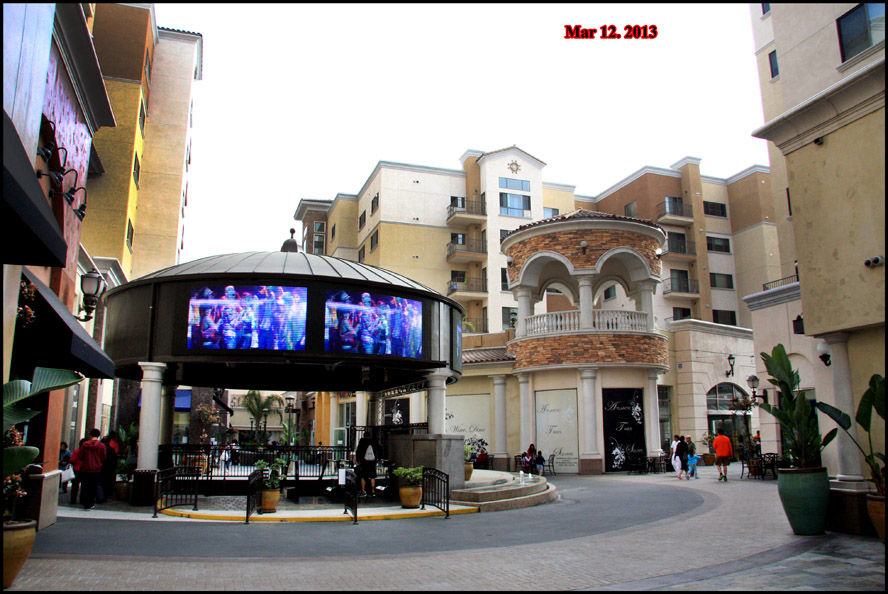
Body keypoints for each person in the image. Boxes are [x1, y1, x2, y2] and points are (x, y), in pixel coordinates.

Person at [79, 429, 106, 510]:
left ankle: (85, 502)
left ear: (90, 435)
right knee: (93, 486)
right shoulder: (101, 445)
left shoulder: (85, 445)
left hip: (86, 468)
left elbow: (81, 456)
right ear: (98, 435)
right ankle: (91, 502)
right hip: (96, 469)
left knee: (85, 485)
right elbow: (103, 457)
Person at [355, 430, 380, 499]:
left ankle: (363, 491)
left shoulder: (362, 441)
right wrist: (378, 458)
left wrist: (358, 459)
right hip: (372, 461)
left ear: (364, 436)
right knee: (372, 476)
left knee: (363, 476)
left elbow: (358, 450)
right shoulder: (373, 441)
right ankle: (373, 492)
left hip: (364, 461)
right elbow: (379, 448)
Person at [98, 435, 118, 503]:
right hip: (109, 469)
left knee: (100, 482)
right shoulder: (111, 450)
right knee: (106, 482)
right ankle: (104, 495)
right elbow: (115, 460)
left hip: (100, 468)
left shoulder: (99, 449)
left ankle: (100, 496)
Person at [68, 438, 88, 504]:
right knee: (84, 486)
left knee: (75, 486)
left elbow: (72, 460)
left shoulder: (77, 451)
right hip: (85, 470)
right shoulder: (88, 452)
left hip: (76, 470)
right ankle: (82, 500)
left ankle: (73, 500)